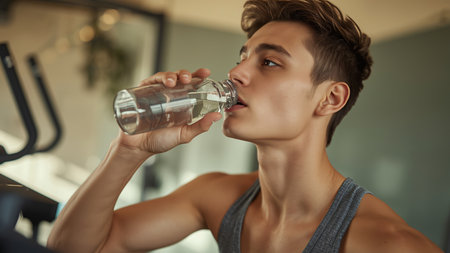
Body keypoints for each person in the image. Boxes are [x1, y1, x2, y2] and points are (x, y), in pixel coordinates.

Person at [47, 0, 443, 252]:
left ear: (331, 99)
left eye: (269, 62)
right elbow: (73, 246)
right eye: (242, 57)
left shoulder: (387, 243)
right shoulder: (217, 197)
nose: (235, 72)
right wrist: (128, 150)